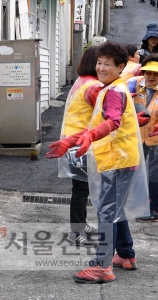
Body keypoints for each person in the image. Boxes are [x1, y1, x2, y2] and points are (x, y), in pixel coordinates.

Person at [47, 41, 148, 284]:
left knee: (106, 211)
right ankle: (125, 253)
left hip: (117, 160)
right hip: (117, 158)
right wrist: (70, 141)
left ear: (121, 67)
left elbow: (111, 121)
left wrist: (89, 136)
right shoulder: (109, 88)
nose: (101, 68)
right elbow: (93, 124)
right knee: (115, 208)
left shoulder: (113, 91)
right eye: (99, 63)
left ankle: (102, 266)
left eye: (107, 64)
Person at [47, 46, 102, 246]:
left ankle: (81, 225)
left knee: (80, 188)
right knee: (81, 189)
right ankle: (77, 231)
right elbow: (104, 117)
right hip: (81, 143)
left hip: (72, 142)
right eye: (101, 62)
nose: (104, 66)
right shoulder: (94, 86)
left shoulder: (82, 81)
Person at [128, 56, 158, 222]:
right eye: (148, 72)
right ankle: (136, 204)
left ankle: (156, 211)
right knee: (132, 171)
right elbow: (122, 107)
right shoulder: (132, 84)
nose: (151, 77)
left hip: (157, 138)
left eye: (156, 73)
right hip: (136, 136)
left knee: (155, 175)